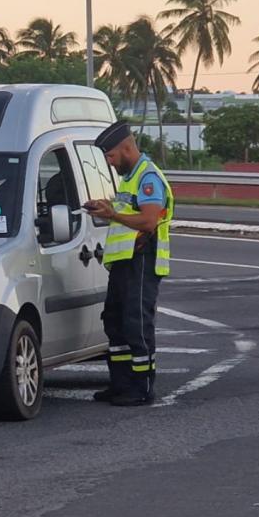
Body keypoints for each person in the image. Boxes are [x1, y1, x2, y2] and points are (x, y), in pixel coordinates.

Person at [84, 121, 175, 407]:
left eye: (110, 156)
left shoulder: (147, 178)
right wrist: (106, 207)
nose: (109, 163)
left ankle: (142, 387)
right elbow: (127, 211)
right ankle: (121, 383)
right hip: (124, 263)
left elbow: (148, 220)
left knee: (137, 325)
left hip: (142, 261)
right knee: (115, 322)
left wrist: (113, 215)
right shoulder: (129, 178)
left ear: (126, 148)